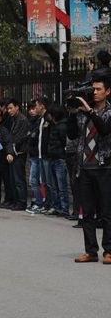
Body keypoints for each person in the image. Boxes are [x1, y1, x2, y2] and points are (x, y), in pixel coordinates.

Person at [67, 73, 111, 264]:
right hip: (83, 167)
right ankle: (91, 251)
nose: (94, 92)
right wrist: (71, 112)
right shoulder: (83, 113)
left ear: (108, 91)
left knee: (107, 212)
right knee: (87, 212)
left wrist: (90, 112)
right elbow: (72, 134)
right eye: (92, 89)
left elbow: (105, 130)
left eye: (98, 89)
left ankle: (108, 251)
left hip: (104, 167)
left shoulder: (109, 113)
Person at [4, 98, 30, 211]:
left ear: (17, 107)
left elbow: (19, 138)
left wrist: (11, 150)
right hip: (12, 152)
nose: (9, 111)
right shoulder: (14, 119)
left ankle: (21, 202)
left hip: (19, 152)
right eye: (8, 109)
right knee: (12, 179)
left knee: (18, 178)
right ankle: (15, 201)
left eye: (11, 108)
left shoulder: (22, 120)